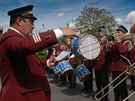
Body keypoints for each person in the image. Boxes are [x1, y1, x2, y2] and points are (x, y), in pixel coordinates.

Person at [0, 5, 78, 101]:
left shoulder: (19, 39)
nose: (33, 26)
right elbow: (25, 45)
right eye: (31, 22)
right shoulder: (9, 39)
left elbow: (28, 64)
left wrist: (48, 62)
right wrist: (59, 32)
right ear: (19, 21)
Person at [107, 25, 130, 101]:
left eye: (119, 32)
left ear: (124, 34)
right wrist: (108, 47)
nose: (117, 34)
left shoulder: (127, 42)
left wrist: (118, 42)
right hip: (114, 68)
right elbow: (111, 54)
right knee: (115, 88)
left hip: (122, 68)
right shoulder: (117, 43)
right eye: (116, 32)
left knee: (122, 88)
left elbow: (122, 51)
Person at [93, 26, 110, 101]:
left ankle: (105, 96)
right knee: (98, 81)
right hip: (97, 64)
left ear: (104, 32)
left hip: (104, 64)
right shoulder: (97, 41)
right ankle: (99, 94)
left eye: (100, 31)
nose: (99, 33)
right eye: (99, 31)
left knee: (104, 82)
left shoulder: (108, 40)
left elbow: (108, 52)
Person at [129, 24, 135, 91]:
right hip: (131, 62)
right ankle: (132, 86)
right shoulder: (131, 44)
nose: (132, 38)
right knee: (132, 76)